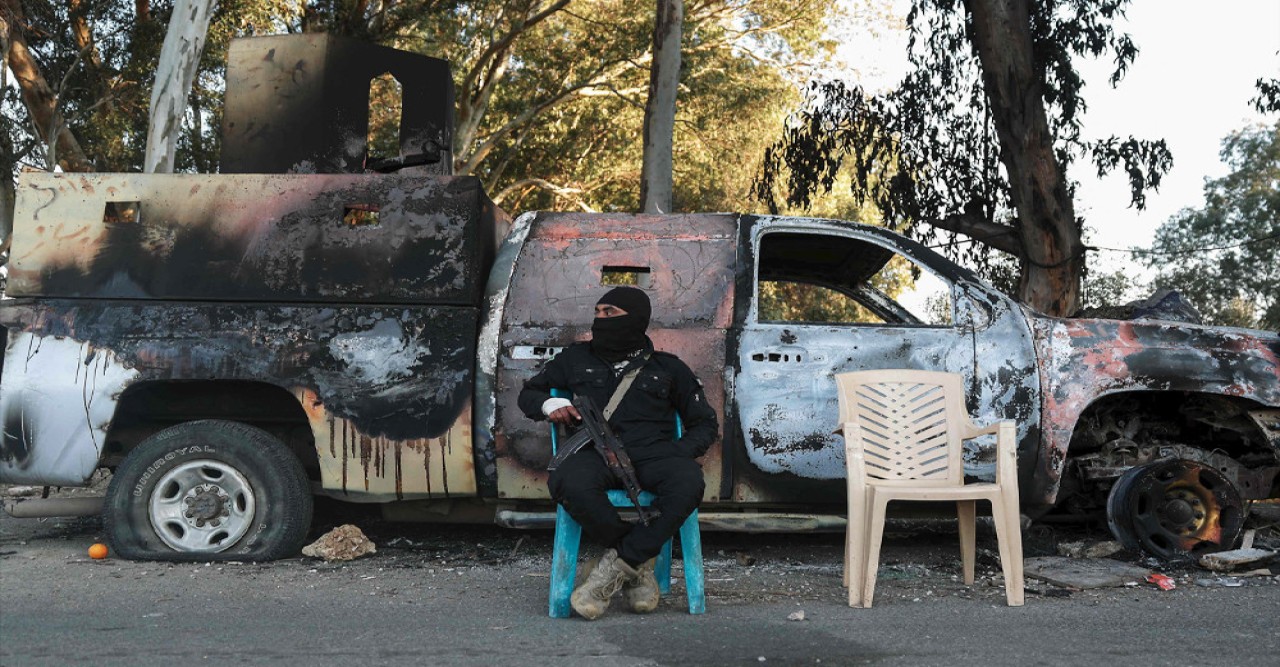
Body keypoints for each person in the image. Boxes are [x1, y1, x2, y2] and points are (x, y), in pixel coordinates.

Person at [518, 286, 718, 620]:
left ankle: (614, 567)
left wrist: (677, 454)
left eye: (609, 313)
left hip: (653, 454)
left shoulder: (668, 368)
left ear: (636, 318)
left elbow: (705, 424)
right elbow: (529, 393)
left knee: (687, 483)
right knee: (569, 481)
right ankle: (636, 565)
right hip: (594, 452)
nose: (600, 319)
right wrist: (551, 404)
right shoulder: (575, 359)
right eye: (597, 312)